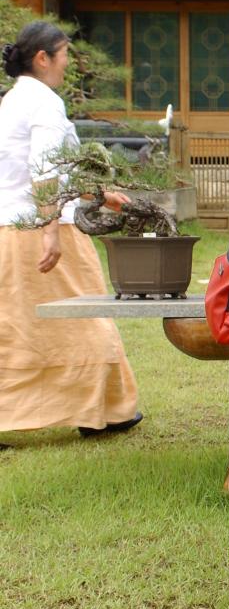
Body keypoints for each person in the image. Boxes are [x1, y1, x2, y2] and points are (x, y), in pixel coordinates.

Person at [0, 22, 141, 438]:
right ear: (43, 58)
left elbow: (57, 169)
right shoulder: (43, 102)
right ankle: (104, 410)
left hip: (12, 228)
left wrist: (102, 194)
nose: (69, 62)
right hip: (42, 228)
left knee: (15, 325)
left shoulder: (12, 101)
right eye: (64, 53)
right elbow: (43, 167)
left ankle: (103, 408)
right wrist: (49, 231)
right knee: (88, 315)